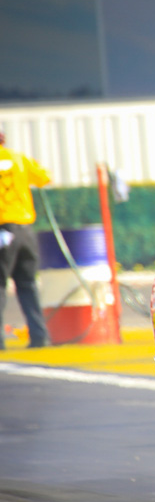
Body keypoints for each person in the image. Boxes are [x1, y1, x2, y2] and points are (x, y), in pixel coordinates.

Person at [0, 125, 51, 349]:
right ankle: (40, 337)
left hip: (3, 230)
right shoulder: (18, 158)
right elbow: (44, 178)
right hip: (25, 230)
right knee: (28, 284)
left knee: (0, 285)